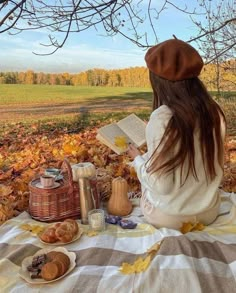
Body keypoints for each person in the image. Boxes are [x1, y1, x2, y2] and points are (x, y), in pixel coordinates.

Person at [127, 38, 226, 230]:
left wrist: (137, 159)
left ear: (158, 81)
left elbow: (162, 186)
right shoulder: (216, 112)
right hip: (209, 213)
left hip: (170, 218)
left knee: (147, 175)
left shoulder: (162, 118)